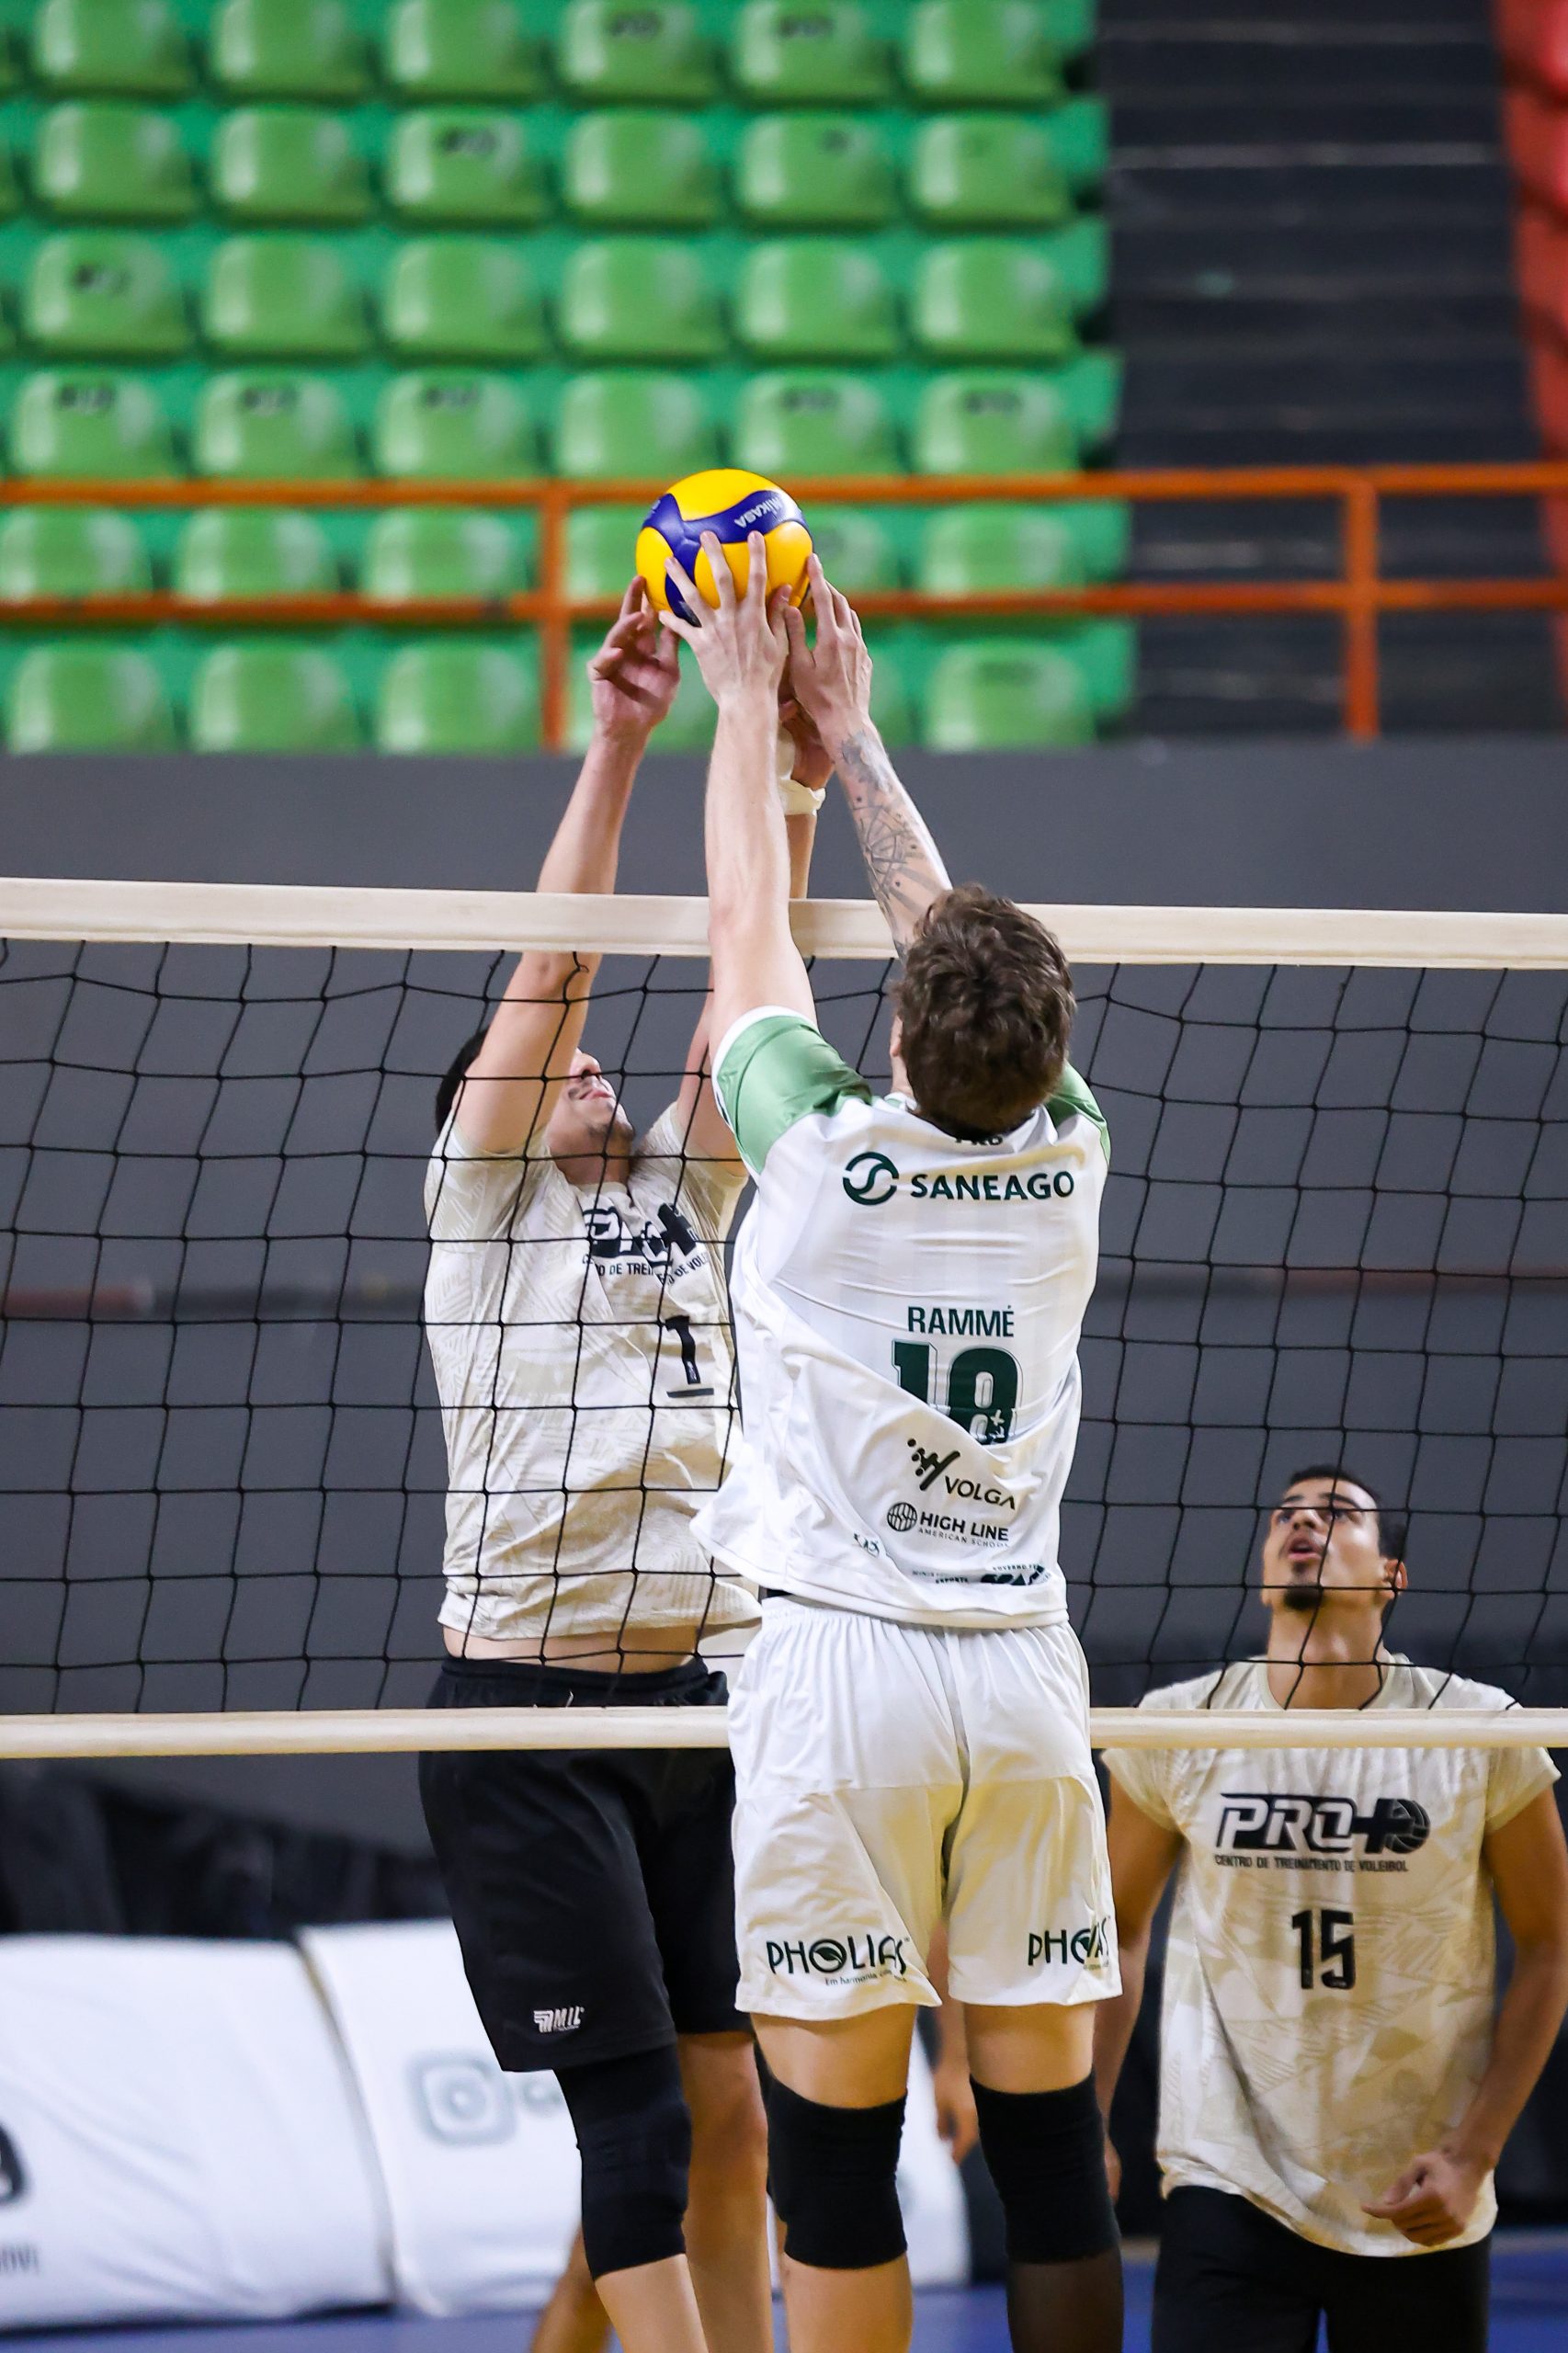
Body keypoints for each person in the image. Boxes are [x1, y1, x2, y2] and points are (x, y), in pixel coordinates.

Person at [659, 538, 1124, 2353]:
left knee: (836, 2170)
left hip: (841, 1669)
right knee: (1054, 2158)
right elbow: (950, 944)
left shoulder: (819, 1154)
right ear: (1048, 1044)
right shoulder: (1070, 1158)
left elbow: (744, 927)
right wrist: (852, 740)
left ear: (904, 1036)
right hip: (1020, 1675)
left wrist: (743, 711)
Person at [418, 584, 820, 2353]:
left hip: (707, 1704)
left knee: (735, 2120)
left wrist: (791, 774)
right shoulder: (484, 1202)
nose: (587, 1067)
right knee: (639, 2134)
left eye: (600, 1067)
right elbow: (553, 970)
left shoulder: (685, 1192)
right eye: (554, 1068)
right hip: (531, 1713)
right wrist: (621, 742)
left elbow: (753, 991)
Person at [1093, 1463, 1568, 2353]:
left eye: (1337, 1514)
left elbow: (1550, 1950)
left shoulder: (1480, 1729)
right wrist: (1089, 2124)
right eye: (1285, 1515)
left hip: (1417, 2179)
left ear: (1390, 1575)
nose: (1301, 1525)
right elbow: (1115, 1934)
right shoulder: (1179, 1724)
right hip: (1225, 2170)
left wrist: (1473, 2154)